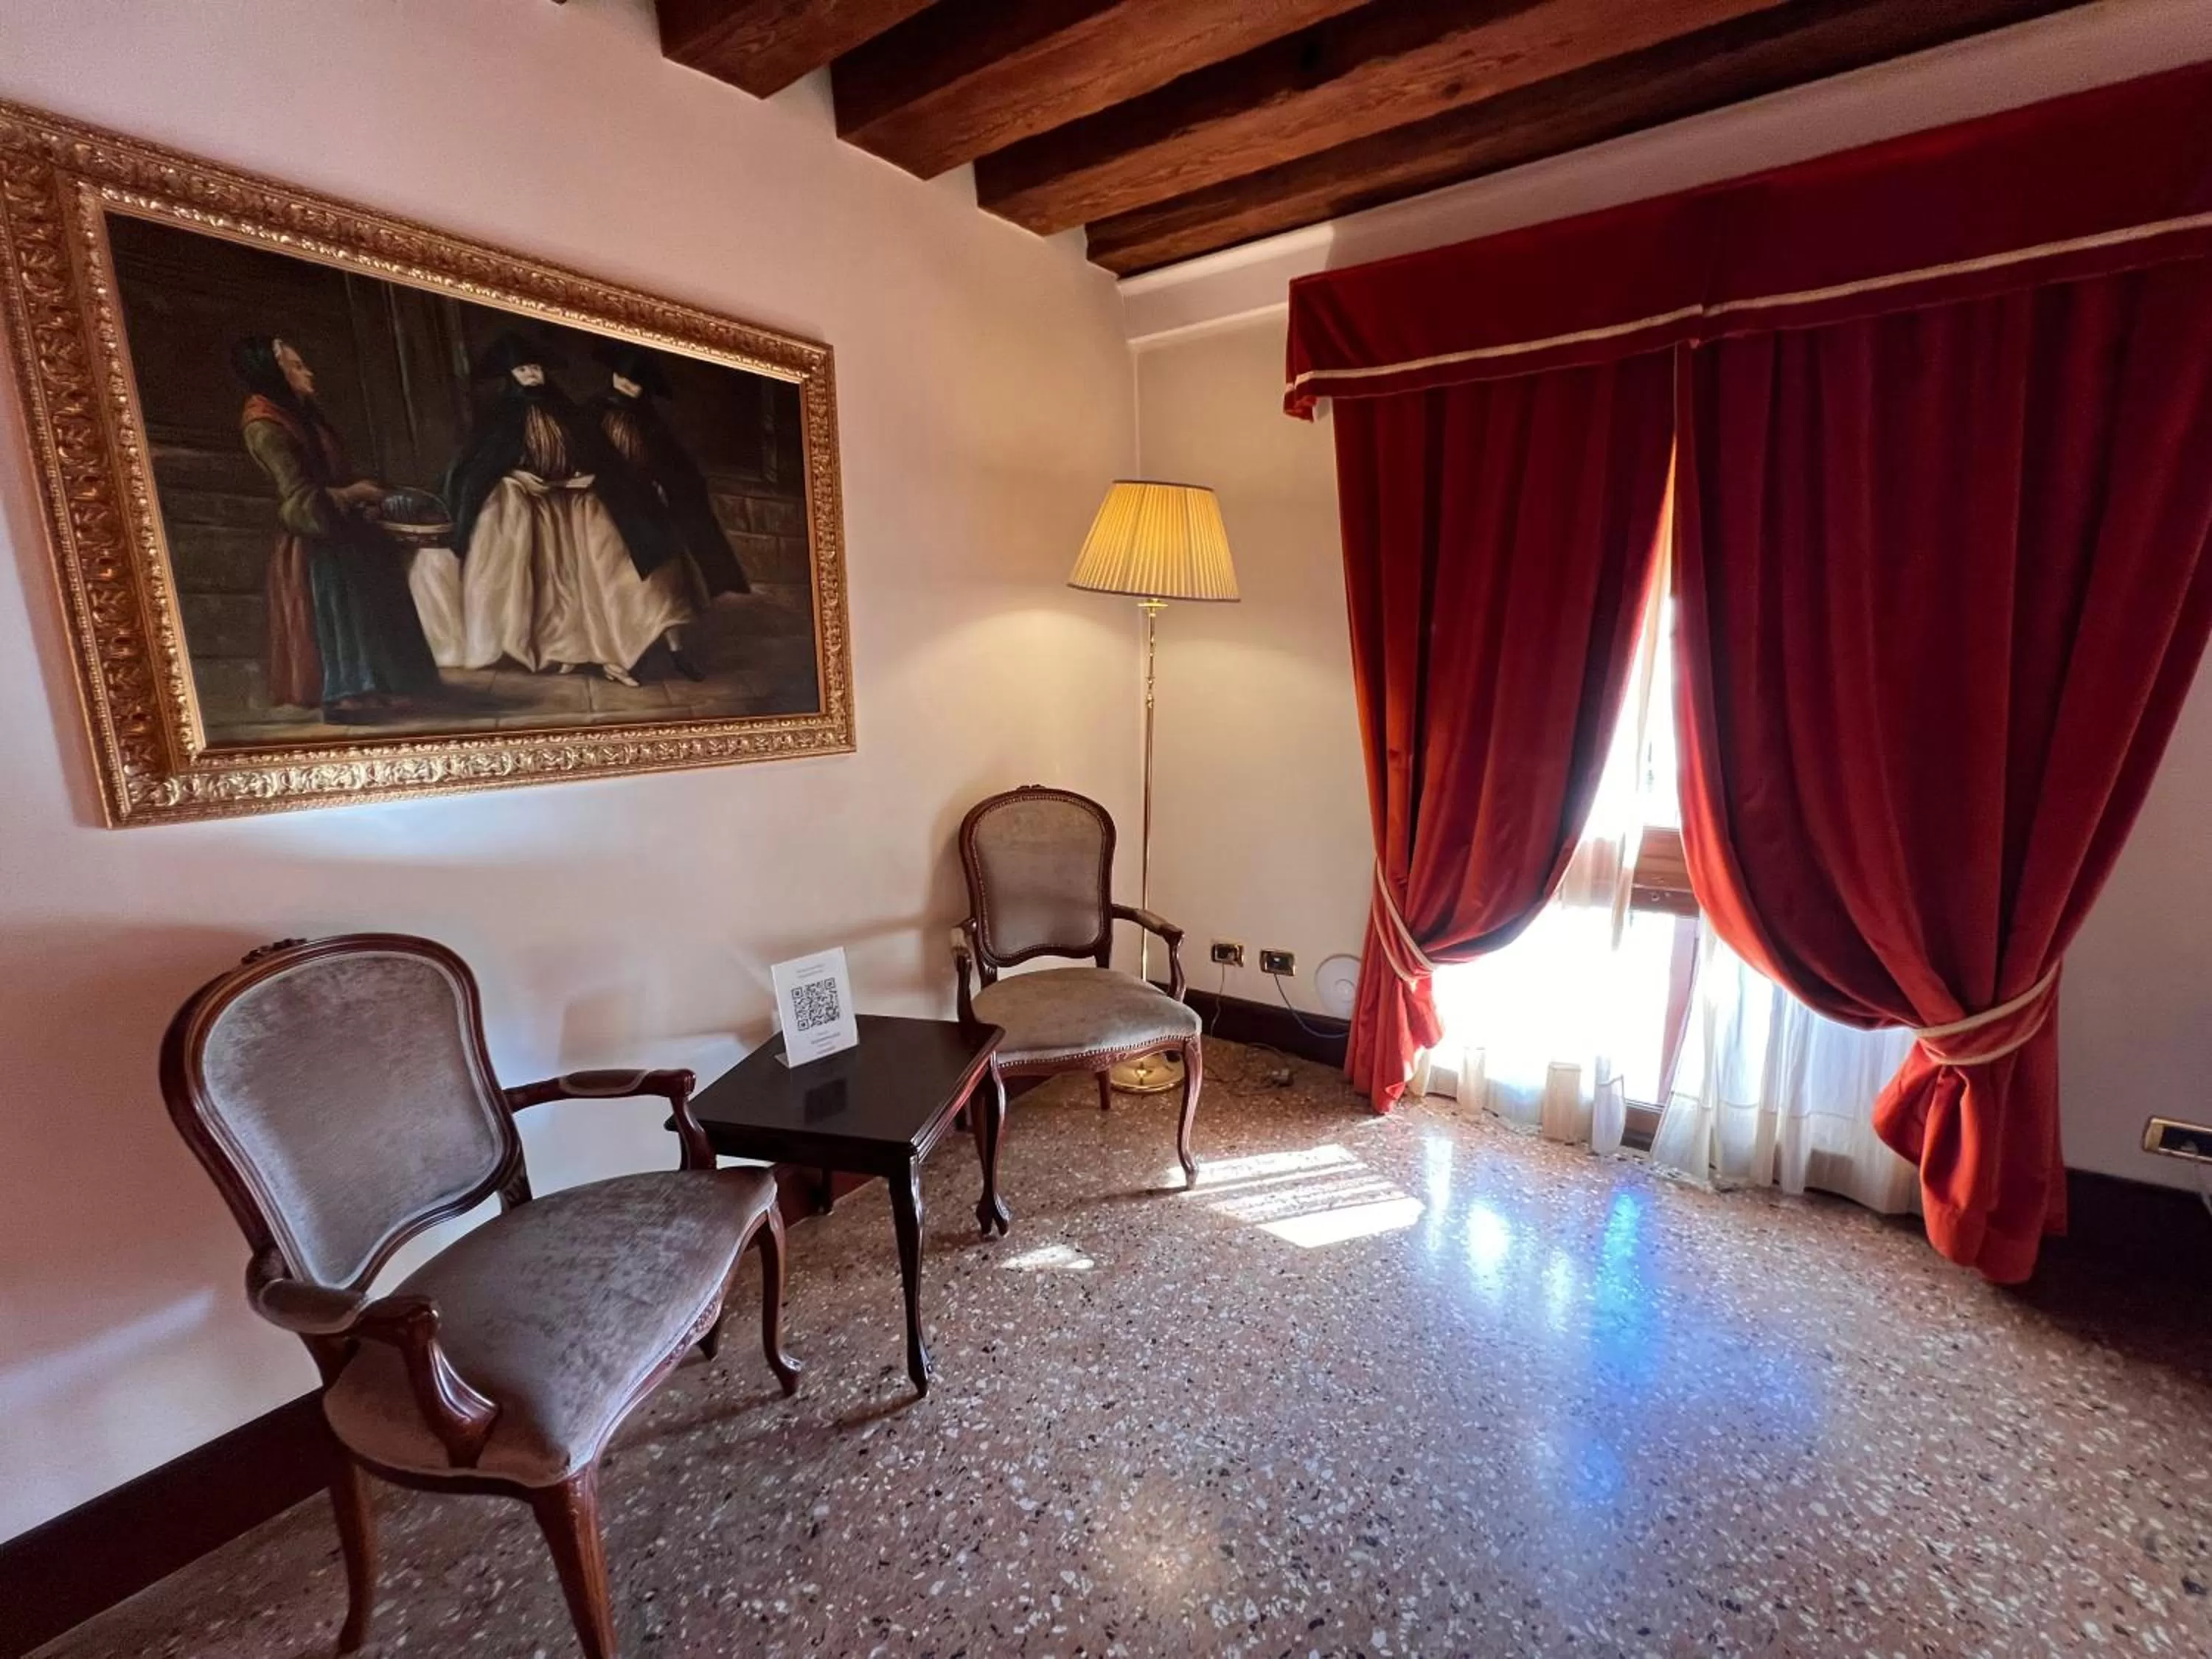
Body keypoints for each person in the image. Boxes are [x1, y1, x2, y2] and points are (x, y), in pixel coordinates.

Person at [441, 330, 691, 686]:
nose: (532, 374)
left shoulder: (567, 410)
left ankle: (611, 648)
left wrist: (583, 478)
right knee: (546, 579)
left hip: (574, 503)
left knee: (597, 570)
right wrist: (517, 478)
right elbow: (482, 467)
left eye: (535, 368)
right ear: (512, 375)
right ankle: (556, 648)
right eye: (523, 370)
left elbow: (597, 455)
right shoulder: (501, 415)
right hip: (527, 506)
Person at [232, 335, 439, 722]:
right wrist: (351, 495)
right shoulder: (266, 425)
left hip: (340, 526)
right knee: (339, 609)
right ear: (272, 372)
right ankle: (348, 695)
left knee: (376, 589)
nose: (308, 372)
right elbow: (296, 500)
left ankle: (384, 687)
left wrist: (363, 494)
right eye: (296, 366)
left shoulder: (300, 413)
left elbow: (330, 474)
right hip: (316, 540)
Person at [588, 344, 750, 678]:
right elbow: (580, 455)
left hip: (646, 505)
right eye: (622, 375)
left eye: (636, 381)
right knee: (618, 581)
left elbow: (673, 464)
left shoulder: (649, 420)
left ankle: (676, 650)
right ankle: (626, 654)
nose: (627, 383)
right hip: (605, 507)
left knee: (667, 579)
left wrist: (667, 485)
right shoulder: (591, 411)